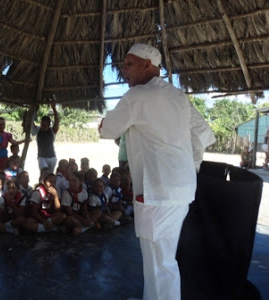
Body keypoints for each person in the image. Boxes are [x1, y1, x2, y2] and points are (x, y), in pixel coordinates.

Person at [99, 43, 215, 300]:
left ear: (147, 65)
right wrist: (189, 167)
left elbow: (107, 130)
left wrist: (104, 124)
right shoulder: (178, 96)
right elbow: (203, 135)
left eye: (129, 64)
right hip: (182, 190)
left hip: (156, 193)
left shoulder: (136, 97)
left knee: (160, 264)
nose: (123, 69)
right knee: (162, 258)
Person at [32, 102, 59, 173]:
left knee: (51, 175)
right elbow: (31, 122)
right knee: (44, 173)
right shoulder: (38, 129)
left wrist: (54, 109)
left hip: (52, 157)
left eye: (44, 125)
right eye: (41, 124)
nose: (42, 126)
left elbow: (57, 122)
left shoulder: (52, 130)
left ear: (49, 124)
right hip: (42, 157)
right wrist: (35, 110)